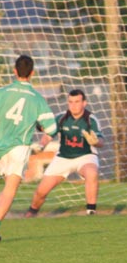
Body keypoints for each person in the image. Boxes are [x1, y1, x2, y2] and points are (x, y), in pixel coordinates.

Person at [0, 55, 57, 244]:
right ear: (32, 73)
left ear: (14, 71)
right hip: (19, 147)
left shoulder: (1, 92)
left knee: (7, 187)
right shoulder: (37, 99)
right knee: (11, 188)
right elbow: (51, 129)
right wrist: (38, 126)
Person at [25, 89, 104, 217]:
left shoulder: (91, 119)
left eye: (77, 102)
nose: (73, 105)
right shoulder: (61, 118)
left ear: (84, 103)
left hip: (85, 156)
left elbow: (101, 141)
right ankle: (31, 213)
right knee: (41, 191)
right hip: (63, 158)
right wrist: (41, 146)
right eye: (70, 102)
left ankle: (91, 212)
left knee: (91, 172)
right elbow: (48, 135)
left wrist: (95, 142)